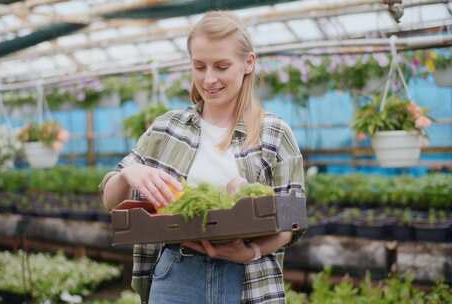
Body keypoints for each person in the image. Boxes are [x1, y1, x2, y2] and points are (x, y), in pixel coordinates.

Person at [100, 10, 305, 304]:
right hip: (177, 274)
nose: (209, 79)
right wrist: (127, 174)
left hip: (247, 277)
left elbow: (291, 220)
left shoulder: (274, 133)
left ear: (249, 63)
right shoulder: (166, 128)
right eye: (199, 66)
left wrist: (251, 252)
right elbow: (111, 202)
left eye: (221, 66)